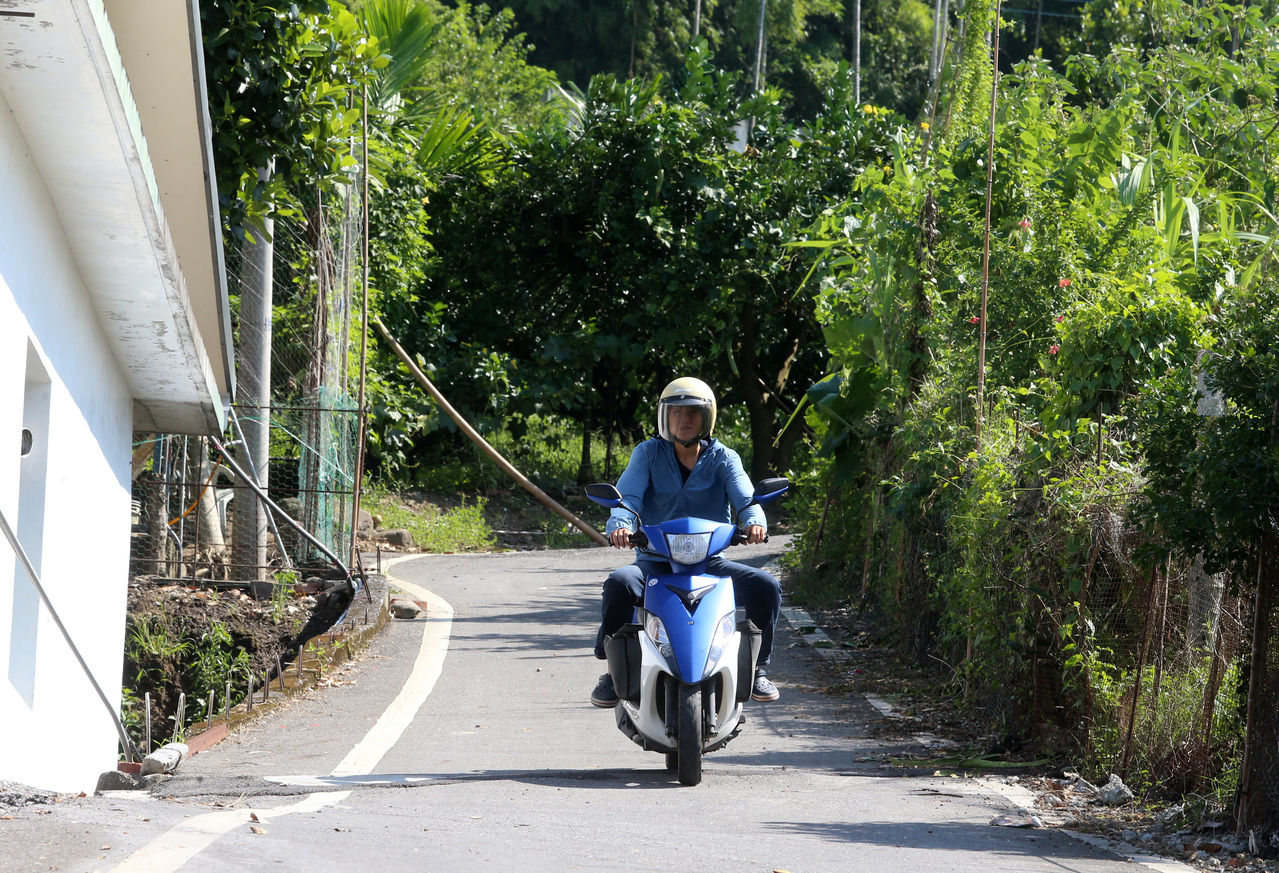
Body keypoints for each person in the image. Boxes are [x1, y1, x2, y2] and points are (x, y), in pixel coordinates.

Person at [590, 377, 782, 707]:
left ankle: (758, 667)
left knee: (766, 586)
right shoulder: (647, 453)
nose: (684, 420)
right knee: (619, 584)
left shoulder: (724, 458)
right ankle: (613, 671)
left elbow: (747, 498)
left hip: (710, 562)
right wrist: (620, 525)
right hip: (654, 563)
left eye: (693, 413)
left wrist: (753, 523)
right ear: (665, 418)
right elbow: (628, 498)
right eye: (676, 412)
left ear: (707, 418)